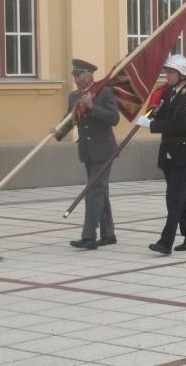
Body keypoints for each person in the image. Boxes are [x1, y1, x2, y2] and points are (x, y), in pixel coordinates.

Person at [136, 54, 186, 255]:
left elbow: (183, 124)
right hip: (168, 151)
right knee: (179, 196)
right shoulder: (168, 93)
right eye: (167, 70)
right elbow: (164, 114)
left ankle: (166, 242)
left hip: (184, 151)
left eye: (171, 71)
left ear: (182, 74)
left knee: (173, 197)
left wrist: (153, 125)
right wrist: (154, 113)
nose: (167, 74)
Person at [55, 59, 120, 250]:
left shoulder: (103, 92)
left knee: (93, 191)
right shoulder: (74, 96)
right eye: (74, 76)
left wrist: (92, 106)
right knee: (100, 191)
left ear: (89, 75)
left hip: (104, 150)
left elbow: (113, 118)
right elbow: (70, 119)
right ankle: (108, 234)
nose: (75, 79)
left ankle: (88, 236)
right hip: (87, 150)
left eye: (78, 75)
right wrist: (58, 132)